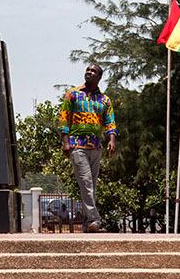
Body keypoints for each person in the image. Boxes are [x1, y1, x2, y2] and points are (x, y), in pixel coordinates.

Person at [59, 63, 117, 232]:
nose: (89, 73)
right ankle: (95, 219)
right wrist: (65, 142)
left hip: (96, 147)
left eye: (93, 71)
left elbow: (110, 121)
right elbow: (64, 119)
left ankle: (87, 223)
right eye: (88, 70)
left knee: (91, 185)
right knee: (86, 182)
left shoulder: (105, 100)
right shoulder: (73, 95)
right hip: (78, 145)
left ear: (99, 77)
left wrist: (111, 139)